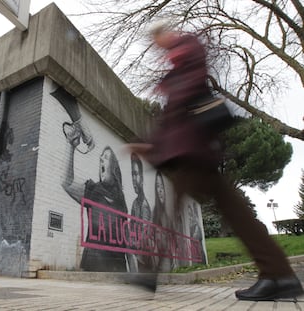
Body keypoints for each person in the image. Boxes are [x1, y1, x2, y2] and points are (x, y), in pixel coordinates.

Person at [128, 22, 303, 301]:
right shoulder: (179, 65)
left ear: (167, 34)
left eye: (160, 37)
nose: (159, 43)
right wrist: (150, 143)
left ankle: (148, 270)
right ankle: (278, 274)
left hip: (192, 150)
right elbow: (172, 118)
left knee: (170, 210)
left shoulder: (186, 53)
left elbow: (178, 113)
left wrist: (155, 142)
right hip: (196, 149)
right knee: (234, 211)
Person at [61, 122, 128, 272]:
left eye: (105, 158)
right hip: (92, 265)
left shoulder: (121, 201)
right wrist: (70, 146)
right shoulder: (94, 191)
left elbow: (127, 242)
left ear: (115, 168)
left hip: (118, 268)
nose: (101, 160)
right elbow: (67, 183)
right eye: (100, 159)